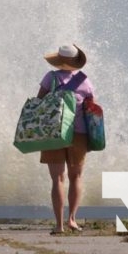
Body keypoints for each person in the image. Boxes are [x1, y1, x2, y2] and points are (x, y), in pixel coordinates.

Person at [37, 44, 94, 235]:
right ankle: (72, 220)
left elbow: (39, 103)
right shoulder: (85, 82)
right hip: (79, 134)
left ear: (59, 61)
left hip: (54, 133)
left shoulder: (50, 77)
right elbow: (91, 108)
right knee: (76, 177)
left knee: (57, 179)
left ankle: (59, 225)